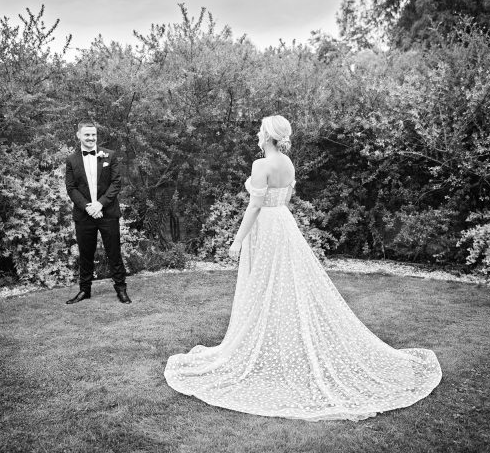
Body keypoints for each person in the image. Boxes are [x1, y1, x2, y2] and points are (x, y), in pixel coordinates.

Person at [164, 115, 441, 421]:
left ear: (267, 136)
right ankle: (273, 343)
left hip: (266, 226)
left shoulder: (261, 165)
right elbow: (287, 196)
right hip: (284, 222)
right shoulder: (288, 163)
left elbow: (254, 206)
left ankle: (264, 345)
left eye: (260, 130)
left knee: (264, 283)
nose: (256, 134)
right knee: (283, 282)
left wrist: (237, 241)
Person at [65, 120, 130, 305]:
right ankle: (84, 290)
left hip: (107, 213)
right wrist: (88, 207)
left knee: (114, 252)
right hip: (84, 215)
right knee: (85, 254)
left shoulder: (110, 155)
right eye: (87, 134)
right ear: (79, 135)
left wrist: (99, 205)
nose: (91, 138)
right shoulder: (71, 160)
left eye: (93, 134)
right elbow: (71, 188)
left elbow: (116, 183)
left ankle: (121, 289)